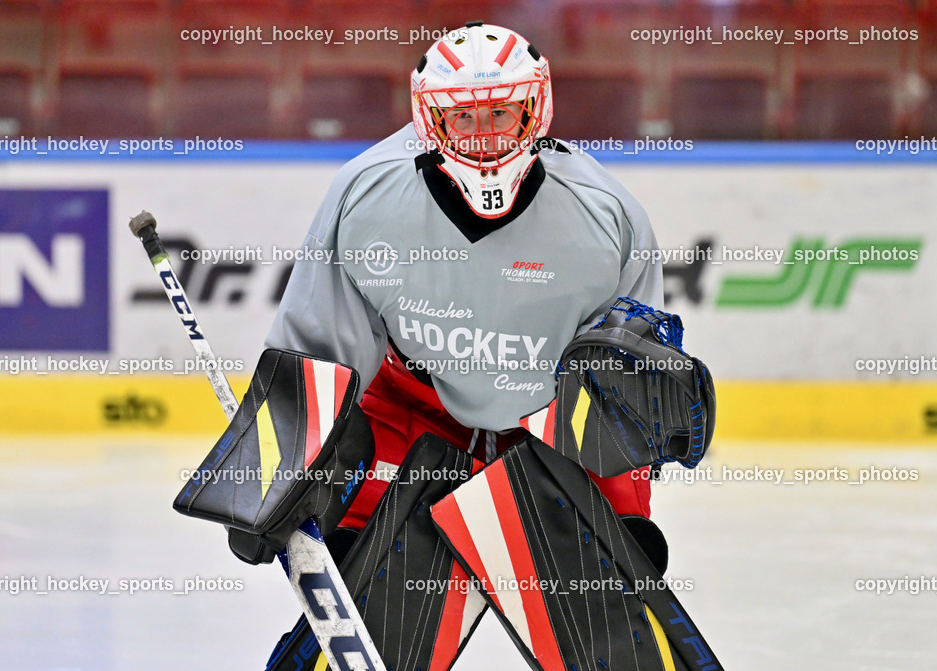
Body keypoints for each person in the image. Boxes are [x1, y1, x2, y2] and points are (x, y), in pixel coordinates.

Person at [266, 20, 662, 540]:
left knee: (609, 590)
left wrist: (628, 483)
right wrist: (272, 477)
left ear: (532, 110)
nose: (485, 133)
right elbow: (316, 356)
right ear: (431, 118)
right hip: (412, 408)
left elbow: (624, 378)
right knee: (366, 581)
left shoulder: (609, 217)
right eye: (464, 115)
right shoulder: (366, 197)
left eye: (500, 111)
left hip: (559, 427)